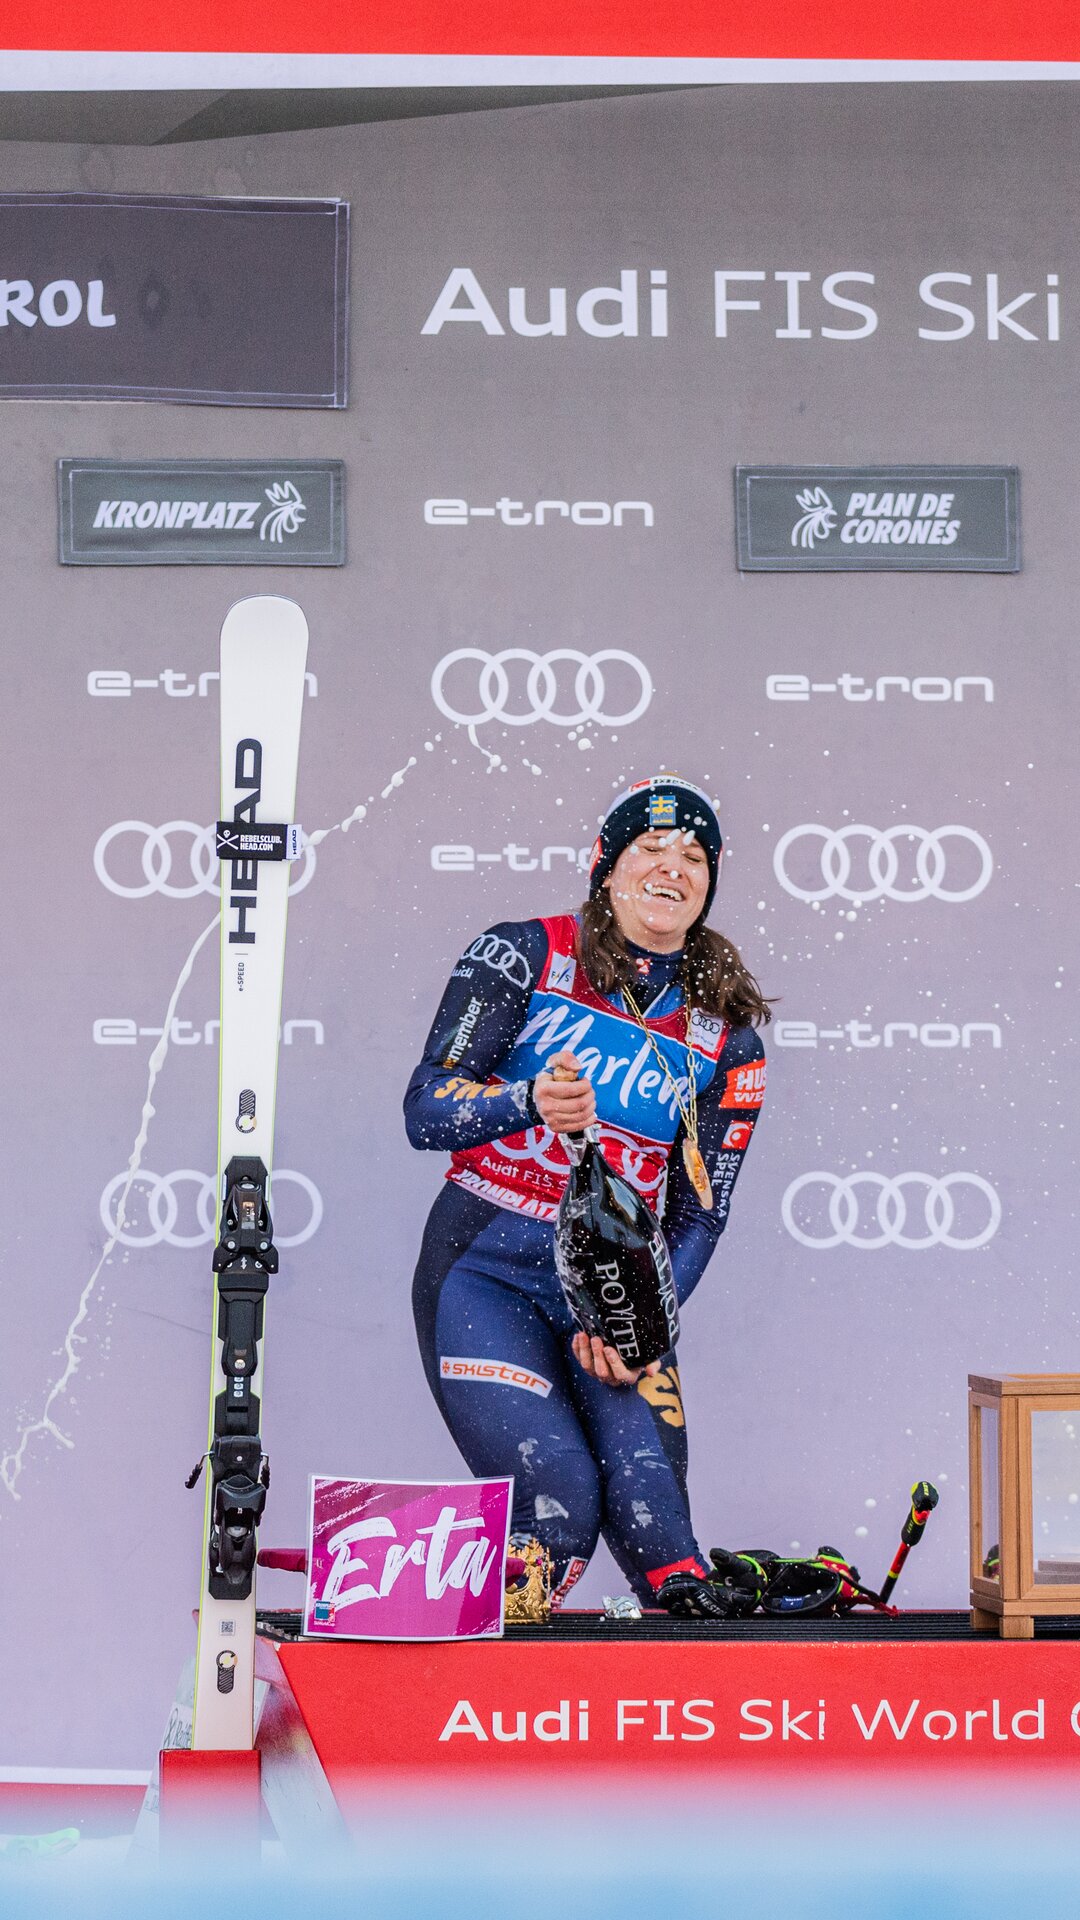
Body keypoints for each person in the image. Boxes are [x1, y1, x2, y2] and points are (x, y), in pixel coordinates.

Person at [403, 774, 770, 1614]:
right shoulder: (524, 952)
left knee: (667, 1547)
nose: (672, 868)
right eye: (651, 848)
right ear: (606, 864)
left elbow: (703, 1210)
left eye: (694, 858)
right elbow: (425, 1109)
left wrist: (639, 1324)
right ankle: (468, 1727)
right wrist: (522, 1100)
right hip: (485, 1267)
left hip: (614, 1288)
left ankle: (685, 1738)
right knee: (555, 1522)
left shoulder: (727, 1032)